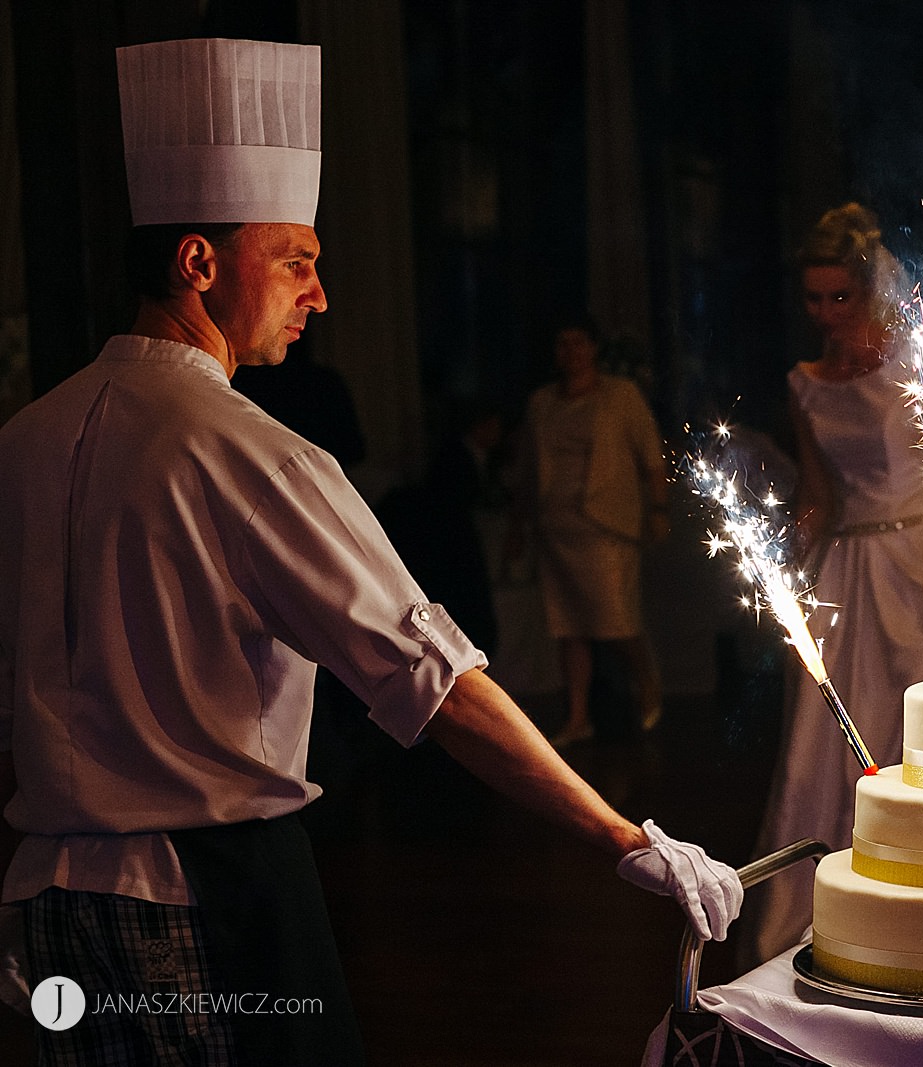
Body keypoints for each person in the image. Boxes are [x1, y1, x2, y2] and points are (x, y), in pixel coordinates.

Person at [0, 39, 739, 1065]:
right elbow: (435, 681)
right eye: (297, 258)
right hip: (205, 902)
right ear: (199, 263)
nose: (321, 292)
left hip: (37, 908)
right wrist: (622, 834)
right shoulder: (255, 454)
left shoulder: (24, 434)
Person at [741, 203, 923, 965]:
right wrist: (782, 561)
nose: (828, 314)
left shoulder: (913, 359)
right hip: (850, 576)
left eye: (842, 296)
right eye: (815, 298)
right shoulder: (804, 383)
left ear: (868, 290)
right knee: (836, 752)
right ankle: (841, 924)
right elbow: (819, 497)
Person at [508, 315, 670, 746]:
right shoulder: (542, 401)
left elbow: (651, 457)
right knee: (569, 627)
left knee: (617, 619)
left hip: (606, 525)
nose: (571, 352)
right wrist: (519, 525)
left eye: (579, 342)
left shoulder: (621, 395)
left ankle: (647, 682)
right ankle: (578, 716)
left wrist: (658, 509)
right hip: (555, 526)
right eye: (563, 343)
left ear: (594, 348)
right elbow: (528, 468)